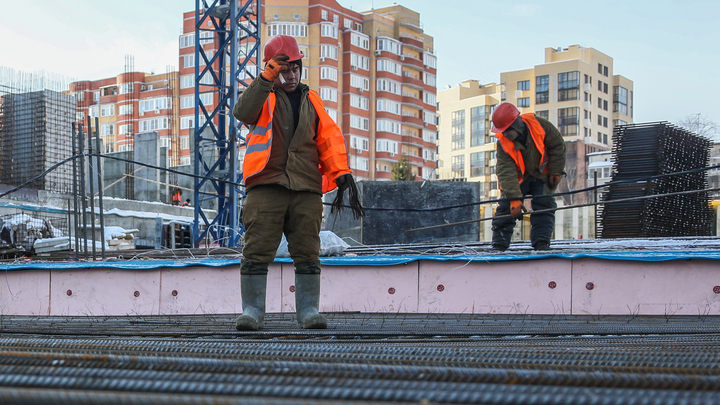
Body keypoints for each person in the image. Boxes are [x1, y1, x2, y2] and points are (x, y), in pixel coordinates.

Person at [232, 35, 363, 331]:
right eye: (284, 70)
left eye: (295, 69)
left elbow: (327, 139)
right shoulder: (262, 94)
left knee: (307, 251)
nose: (291, 76)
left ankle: (308, 312)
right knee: (257, 249)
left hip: (305, 188)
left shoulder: (312, 101)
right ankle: (252, 312)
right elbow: (242, 112)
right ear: (272, 70)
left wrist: (340, 172)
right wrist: (267, 77)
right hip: (267, 184)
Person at [490, 102, 567, 251]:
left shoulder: (540, 126)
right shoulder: (503, 142)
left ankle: (541, 243)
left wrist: (556, 171)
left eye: (506, 130)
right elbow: (505, 170)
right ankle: (499, 245)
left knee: (544, 205)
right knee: (506, 206)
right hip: (519, 178)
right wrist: (514, 198)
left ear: (516, 125)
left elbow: (558, 145)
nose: (504, 134)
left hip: (542, 174)